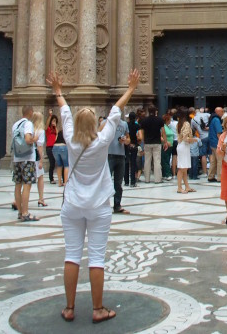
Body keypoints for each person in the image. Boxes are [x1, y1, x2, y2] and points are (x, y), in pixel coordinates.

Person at [46, 68, 140, 324]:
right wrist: (131, 89)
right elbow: (114, 113)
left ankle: (69, 307)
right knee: (96, 258)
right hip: (98, 205)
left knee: (71, 255)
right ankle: (98, 309)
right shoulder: (102, 141)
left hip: (73, 205)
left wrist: (57, 90)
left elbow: (64, 109)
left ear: (75, 125)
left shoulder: (71, 140)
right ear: (94, 125)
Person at [11, 105, 38, 222]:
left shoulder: (15, 124)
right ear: (31, 112)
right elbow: (27, 139)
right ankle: (26, 213)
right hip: (27, 159)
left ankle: (20, 212)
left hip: (17, 158)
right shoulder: (28, 124)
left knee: (18, 185)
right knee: (27, 185)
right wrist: (34, 140)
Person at [107, 109, 130, 214]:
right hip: (108, 155)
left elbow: (128, 139)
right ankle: (103, 205)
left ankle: (117, 205)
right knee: (105, 182)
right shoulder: (105, 123)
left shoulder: (124, 124)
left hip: (121, 156)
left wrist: (125, 141)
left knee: (118, 183)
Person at [138, 105, 166, 184]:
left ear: (148, 111)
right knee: (157, 161)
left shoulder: (144, 120)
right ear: (155, 111)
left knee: (147, 161)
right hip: (157, 142)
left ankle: (147, 179)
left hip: (147, 142)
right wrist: (165, 141)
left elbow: (142, 132)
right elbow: (163, 132)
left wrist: (143, 141)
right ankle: (157, 179)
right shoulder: (159, 120)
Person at [176, 108, 196, 194]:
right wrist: (194, 140)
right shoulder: (186, 123)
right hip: (184, 146)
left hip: (181, 146)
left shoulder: (179, 124)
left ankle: (187, 186)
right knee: (182, 168)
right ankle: (179, 188)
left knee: (184, 167)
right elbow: (185, 138)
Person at [32, 111, 47, 207]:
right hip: (36, 157)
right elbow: (40, 146)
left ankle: (17, 199)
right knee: (40, 177)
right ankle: (41, 198)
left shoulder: (29, 129)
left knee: (24, 179)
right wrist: (41, 160)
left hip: (27, 156)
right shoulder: (40, 131)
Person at [191, 107, 210, 176]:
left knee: (203, 155)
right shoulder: (207, 115)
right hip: (210, 135)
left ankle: (205, 172)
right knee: (211, 154)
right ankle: (211, 171)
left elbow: (192, 130)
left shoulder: (193, 120)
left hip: (202, 137)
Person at [208, 107, 224, 182]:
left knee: (213, 160)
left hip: (212, 142)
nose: (223, 113)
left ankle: (211, 176)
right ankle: (220, 177)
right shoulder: (217, 120)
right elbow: (219, 133)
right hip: (217, 142)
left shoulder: (212, 119)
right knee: (220, 160)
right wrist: (222, 142)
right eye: (222, 111)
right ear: (218, 112)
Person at [124, 111, 139, 187]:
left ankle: (126, 181)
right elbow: (139, 136)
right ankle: (133, 182)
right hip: (134, 145)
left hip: (127, 145)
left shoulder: (126, 125)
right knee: (133, 163)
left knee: (126, 162)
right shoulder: (137, 126)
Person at [52, 121, 69, 187]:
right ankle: (65, 182)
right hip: (63, 146)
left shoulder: (59, 132)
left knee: (59, 165)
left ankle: (59, 182)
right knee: (66, 165)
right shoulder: (67, 133)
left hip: (55, 147)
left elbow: (55, 138)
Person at [46, 112, 58, 184]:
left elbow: (57, 134)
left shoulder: (55, 129)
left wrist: (55, 126)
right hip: (49, 147)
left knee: (56, 163)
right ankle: (51, 178)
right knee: (52, 163)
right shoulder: (48, 129)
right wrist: (50, 116)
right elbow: (46, 126)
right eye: (53, 121)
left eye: (55, 121)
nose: (54, 122)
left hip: (55, 147)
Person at [161, 113, 175, 181]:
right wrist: (165, 142)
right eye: (169, 119)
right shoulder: (163, 127)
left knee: (167, 159)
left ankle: (164, 174)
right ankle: (167, 174)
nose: (170, 121)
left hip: (170, 146)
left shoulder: (168, 126)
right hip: (165, 145)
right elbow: (160, 136)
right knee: (165, 160)